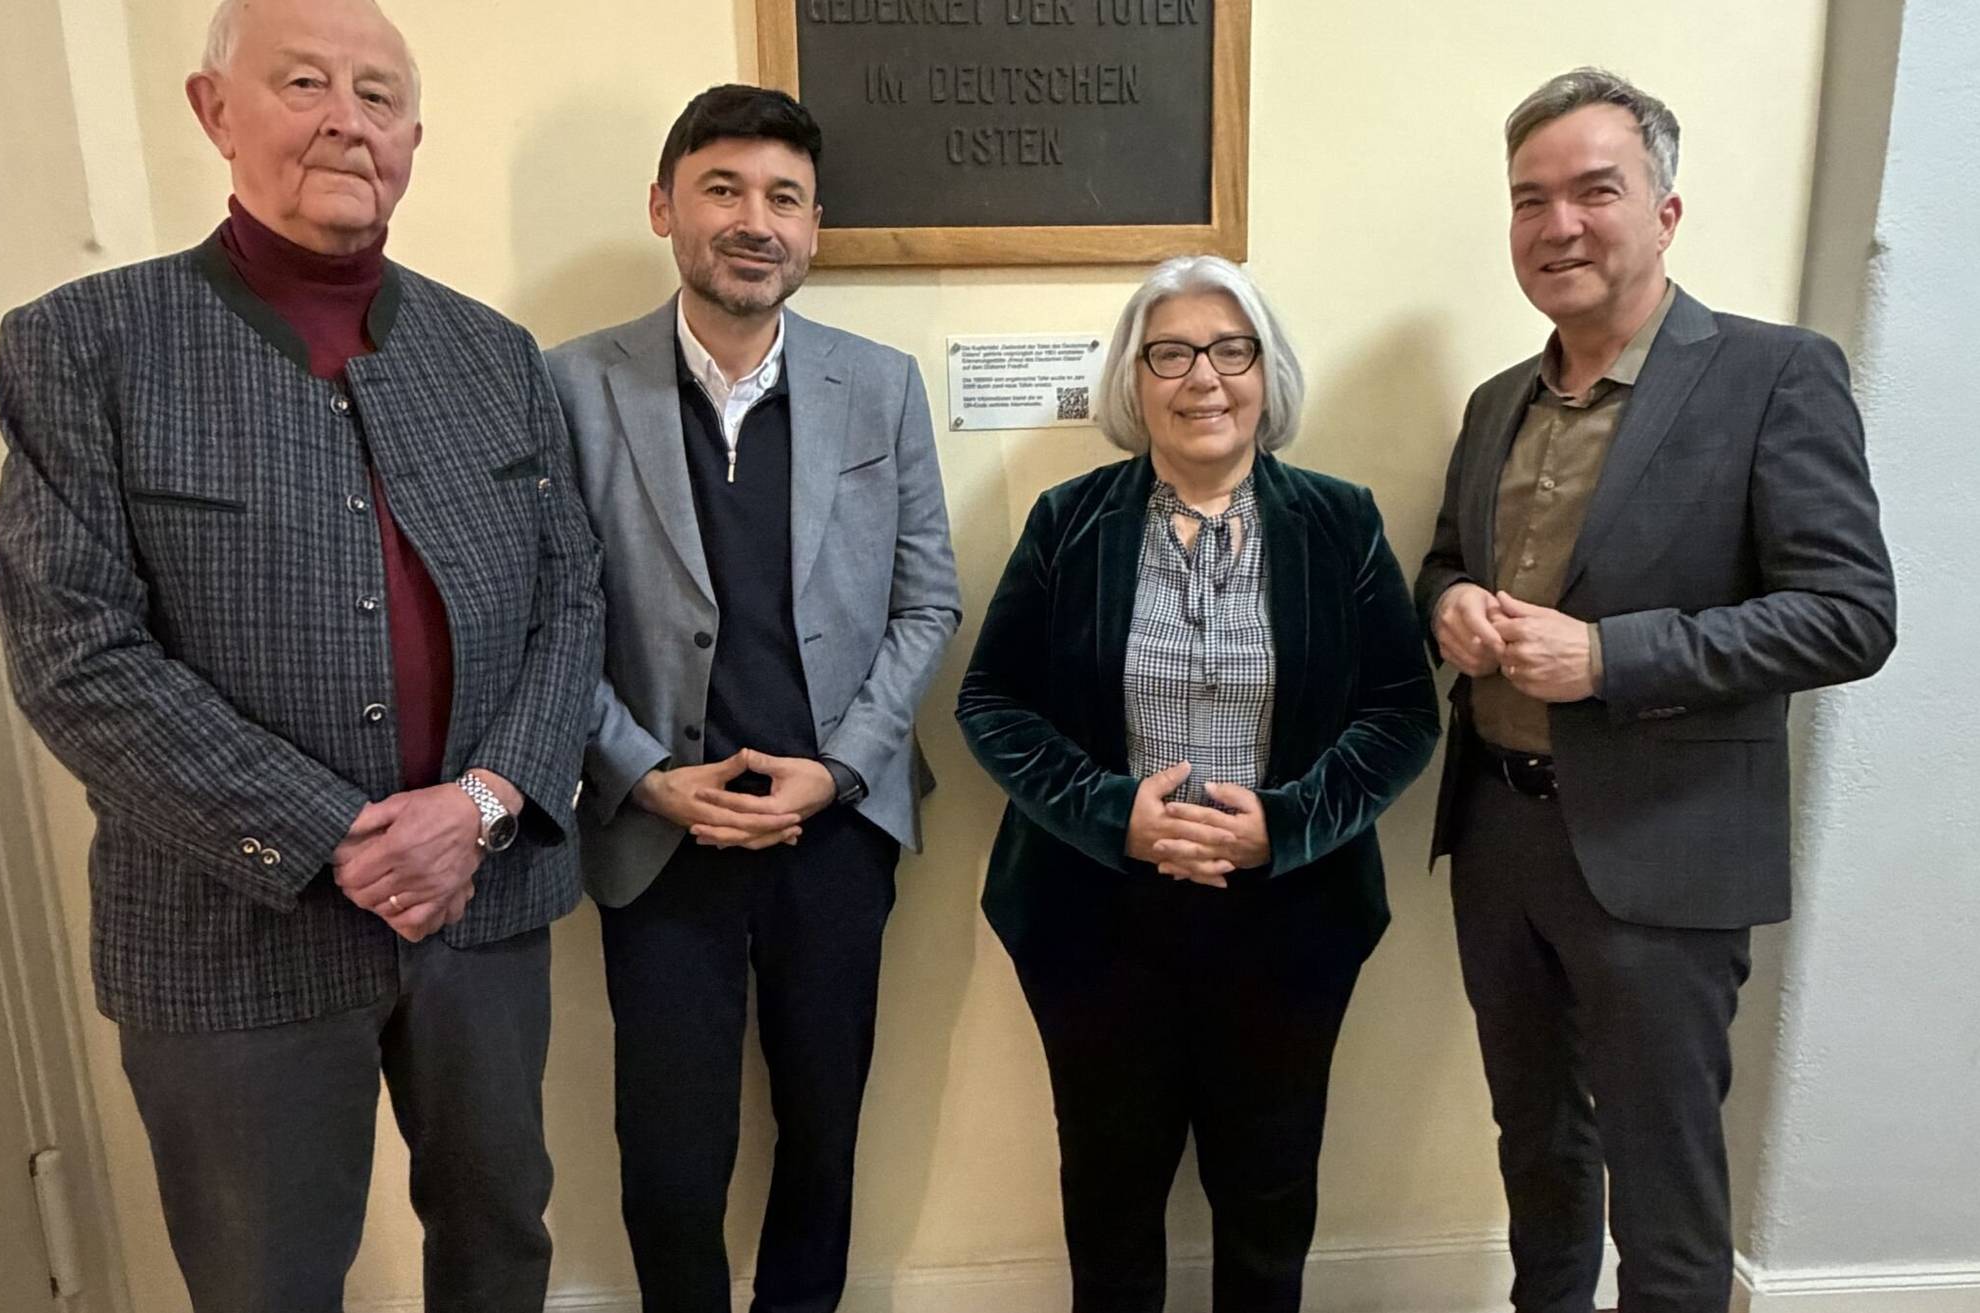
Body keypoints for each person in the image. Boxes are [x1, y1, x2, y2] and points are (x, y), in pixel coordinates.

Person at [0, 1, 604, 1308]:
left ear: (413, 140)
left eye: (377, 97)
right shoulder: (86, 345)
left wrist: (482, 806)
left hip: (481, 908)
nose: (345, 119)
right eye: (305, 82)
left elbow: (574, 606)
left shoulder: (492, 355)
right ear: (217, 113)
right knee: (264, 1278)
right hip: (226, 928)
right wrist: (347, 832)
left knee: (504, 1247)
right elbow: (75, 652)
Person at [1416, 67, 1896, 1313]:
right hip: (1500, 837)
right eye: (1530, 200)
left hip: (1664, 855)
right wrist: (1447, 606)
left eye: (1595, 191)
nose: (1558, 225)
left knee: (1668, 1187)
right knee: (1540, 1154)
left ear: (1665, 211)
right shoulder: (1493, 404)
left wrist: (1611, 657)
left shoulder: (1774, 375)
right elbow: (1447, 560)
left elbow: (1851, 612)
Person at [542, 84, 960, 1313]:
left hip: (833, 827)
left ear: (815, 227)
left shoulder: (878, 385)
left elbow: (925, 602)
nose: (754, 220)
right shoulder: (570, 384)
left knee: (823, 1133)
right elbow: (546, 615)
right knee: (671, 1161)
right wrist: (640, 773)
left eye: (783, 197)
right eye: (723, 188)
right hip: (657, 831)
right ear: (666, 207)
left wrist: (841, 766)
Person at [955, 255, 1440, 1313]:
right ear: (1135, 382)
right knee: (1111, 1202)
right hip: (1093, 918)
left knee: (1268, 1203)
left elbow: (1403, 711)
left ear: (1268, 373)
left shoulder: (1338, 520)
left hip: (1289, 918)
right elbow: (989, 703)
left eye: (1231, 349)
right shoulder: (1068, 519)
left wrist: (1286, 825)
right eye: (1168, 352)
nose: (1202, 377)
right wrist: (1109, 813)